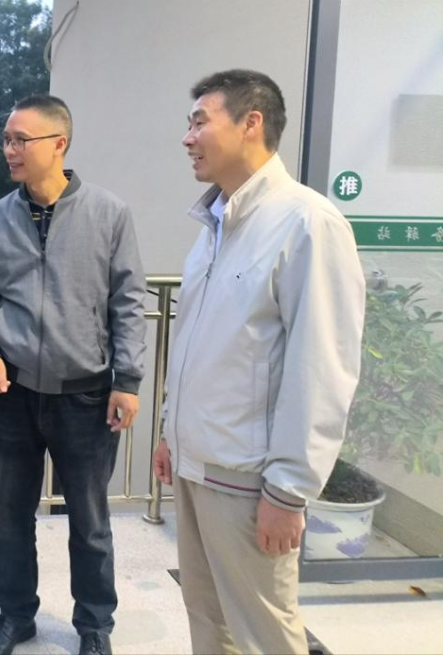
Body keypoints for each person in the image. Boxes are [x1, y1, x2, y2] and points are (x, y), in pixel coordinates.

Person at [152, 69, 365, 654]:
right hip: (197, 467)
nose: (187, 137)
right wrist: (170, 430)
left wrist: (289, 491)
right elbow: (198, 342)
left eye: (200, 122)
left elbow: (322, 368)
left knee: (263, 634)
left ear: (251, 123)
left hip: (250, 482)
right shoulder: (215, 224)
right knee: (207, 618)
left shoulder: (307, 223)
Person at [0, 94, 147, 655]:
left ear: (59, 144)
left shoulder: (109, 214)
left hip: (85, 397)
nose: (9, 150)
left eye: (21, 140)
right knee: (10, 519)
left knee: (89, 522)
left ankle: (94, 626)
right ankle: (15, 616)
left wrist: (128, 380)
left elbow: (128, 303)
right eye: (6, 140)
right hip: (13, 393)